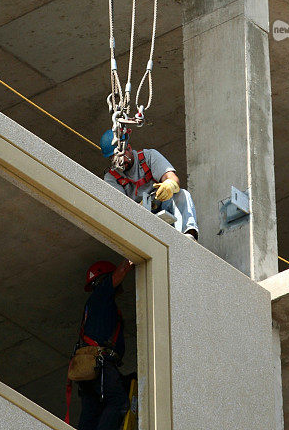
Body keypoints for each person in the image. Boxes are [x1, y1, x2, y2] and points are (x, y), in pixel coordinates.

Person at [100, 130, 199, 240]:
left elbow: (171, 177)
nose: (119, 162)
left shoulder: (148, 156)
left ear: (128, 148)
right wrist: (139, 209)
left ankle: (189, 236)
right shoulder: (111, 177)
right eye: (113, 158)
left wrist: (169, 185)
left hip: (162, 206)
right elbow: (121, 209)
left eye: (120, 156)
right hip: (138, 219)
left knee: (182, 194)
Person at [76, 258, 134, 430]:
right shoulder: (102, 292)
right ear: (104, 280)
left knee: (92, 411)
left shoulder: (95, 303)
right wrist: (132, 258)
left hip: (89, 367)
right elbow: (121, 271)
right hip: (99, 363)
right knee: (118, 402)